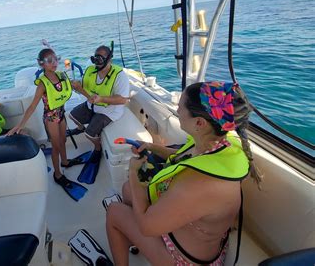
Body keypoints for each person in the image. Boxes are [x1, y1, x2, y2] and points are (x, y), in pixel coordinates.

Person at [106, 81, 262, 266]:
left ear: (199, 123)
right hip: (188, 233)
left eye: (180, 106)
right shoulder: (216, 142)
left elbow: (147, 227)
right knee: (127, 190)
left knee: (114, 212)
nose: (177, 110)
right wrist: (152, 147)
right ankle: (131, 238)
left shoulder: (199, 184)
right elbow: (184, 156)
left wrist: (133, 173)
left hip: (183, 259)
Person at [7, 49, 89, 201]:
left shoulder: (61, 75)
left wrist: (89, 97)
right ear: (41, 64)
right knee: (56, 146)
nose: (54, 63)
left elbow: (75, 86)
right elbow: (32, 106)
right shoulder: (42, 84)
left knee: (63, 140)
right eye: (49, 61)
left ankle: (65, 162)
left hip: (61, 114)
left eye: (55, 60)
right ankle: (57, 174)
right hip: (51, 118)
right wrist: (19, 125)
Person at [69, 44, 129, 184]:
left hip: (110, 110)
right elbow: (84, 89)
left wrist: (102, 99)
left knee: (89, 134)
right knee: (72, 116)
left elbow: (122, 100)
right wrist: (77, 87)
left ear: (109, 59)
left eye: (100, 59)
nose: (96, 62)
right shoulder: (90, 70)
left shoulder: (120, 75)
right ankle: (80, 127)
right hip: (92, 104)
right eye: (95, 58)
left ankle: (97, 148)